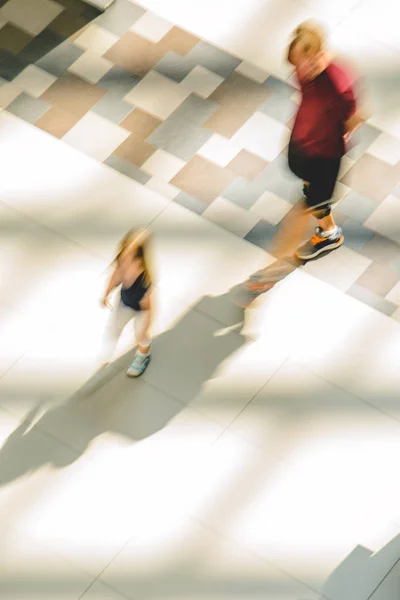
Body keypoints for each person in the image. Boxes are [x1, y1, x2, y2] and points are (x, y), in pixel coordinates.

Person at [244, 20, 363, 300]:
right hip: (304, 148)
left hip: (324, 157)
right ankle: (329, 233)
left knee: (299, 214)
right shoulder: (303, 69)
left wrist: (327, 138)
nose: (301, 70)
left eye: (305, 62)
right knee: (313, 198)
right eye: (296, 63)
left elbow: (353, 118)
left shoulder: (336, 81)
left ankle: (269, 272)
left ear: (318, 53)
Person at [100, 228, 154, 377]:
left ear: (139, 262)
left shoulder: (144, 280)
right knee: (114, 328)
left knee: (140, 335)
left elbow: (148, 307)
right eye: (123, 256)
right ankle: (107, 352)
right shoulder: (122, 264)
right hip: (124, 304)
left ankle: (143, 356)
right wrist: (106, 294)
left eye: (129, 258)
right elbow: (115, 276)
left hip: (141, 310)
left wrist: (145, 325)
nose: (124, 262)